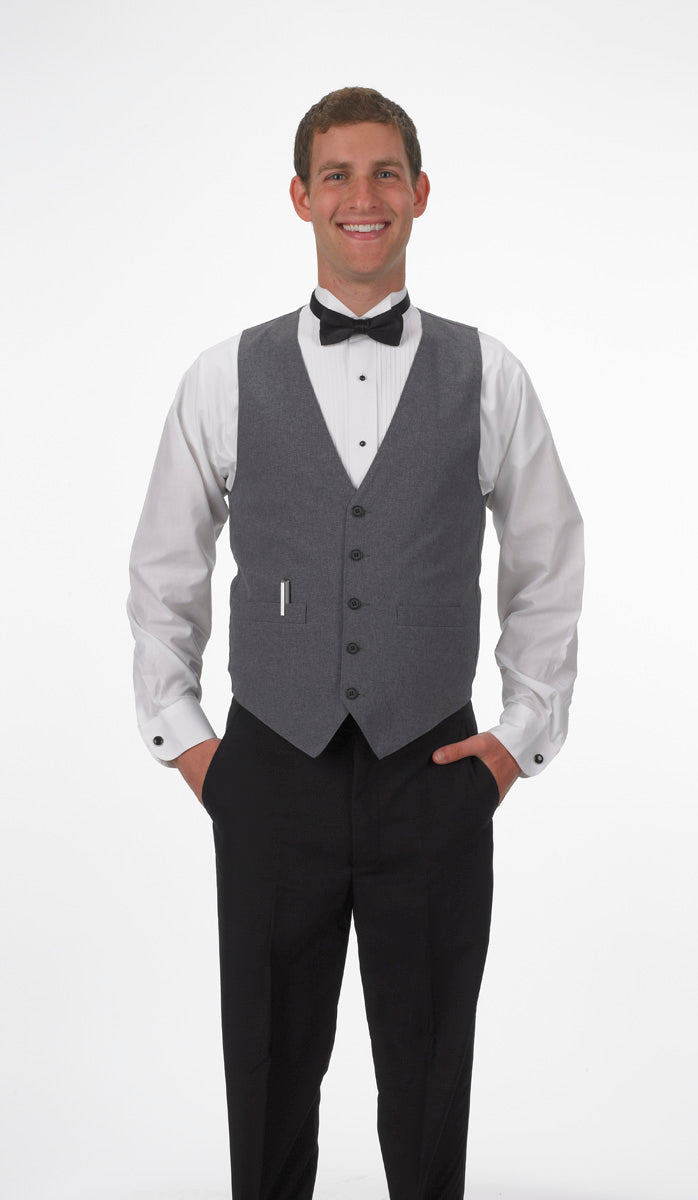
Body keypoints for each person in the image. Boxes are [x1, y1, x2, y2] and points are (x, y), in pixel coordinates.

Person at [127, 86, 584, 1200]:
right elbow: (163, 572)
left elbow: (548, 563)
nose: (361, 196)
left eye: (384, 173)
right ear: (300, 197)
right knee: (268, 1069)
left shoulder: (490, 374)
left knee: (428, 1080)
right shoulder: (223, 376)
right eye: (336, 174)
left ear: (420, 194)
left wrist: (515, 740)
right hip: (269, 768)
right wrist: (192, 745)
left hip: (431, 769)